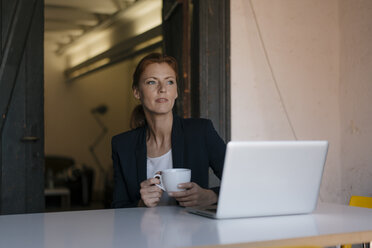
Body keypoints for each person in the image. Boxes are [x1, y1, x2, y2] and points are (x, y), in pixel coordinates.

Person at [111, 53, 226, 208]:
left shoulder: (200, 132)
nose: (163, 89)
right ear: (137, 91)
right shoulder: (122, 145)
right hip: (143, 232)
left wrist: (211, 196)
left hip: (194, 231)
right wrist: (140, 205)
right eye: (152, 82)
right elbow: (118, 207)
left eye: (170, 82)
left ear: (176, 91)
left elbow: (242, 183)